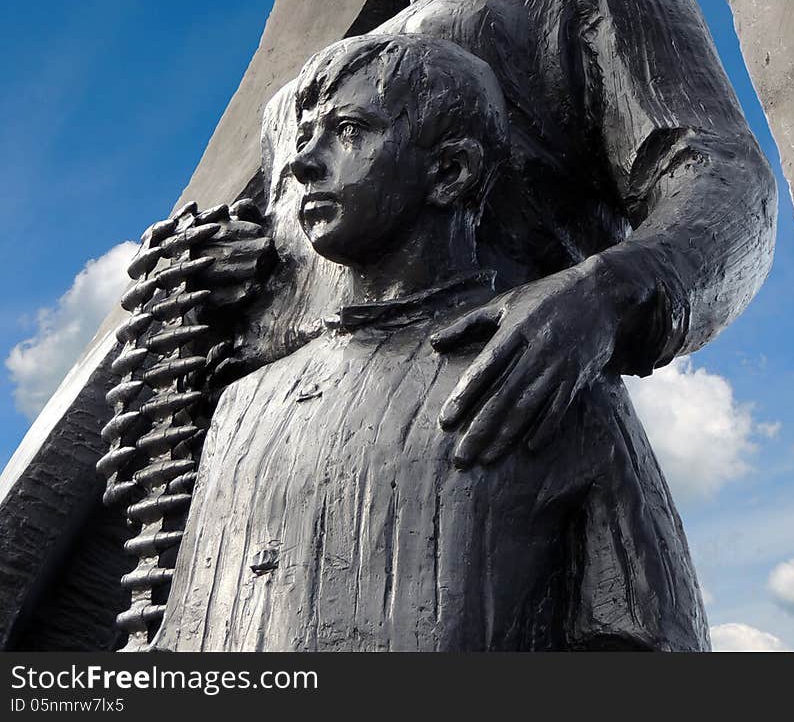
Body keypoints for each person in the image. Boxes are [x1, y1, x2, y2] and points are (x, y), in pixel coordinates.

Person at [154, 32, 707, 652]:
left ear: (449, 171)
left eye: (348, 132)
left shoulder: (538, 372)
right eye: (304, 136)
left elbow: (649, 638)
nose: (302, 163)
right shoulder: (243, 409)